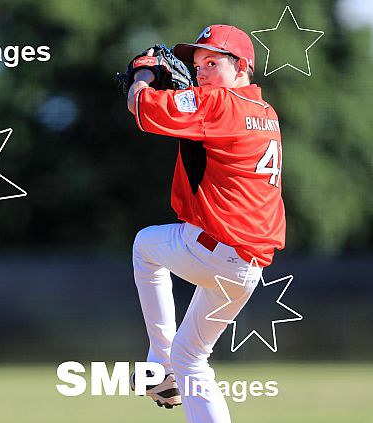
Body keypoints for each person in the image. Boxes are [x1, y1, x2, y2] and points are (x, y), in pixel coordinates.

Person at [126, 25, 286, 423]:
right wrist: (188, 94)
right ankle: (170, 367)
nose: (201, 72)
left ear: (242, 67)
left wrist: (143, 72)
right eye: (198, 65)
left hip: (216, 250)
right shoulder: (266, 113)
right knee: (192, 359)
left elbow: (141, 106)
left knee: (145, 246)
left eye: (213, 62)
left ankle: (159, 364)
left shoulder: (218, 103)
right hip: (248, 269)